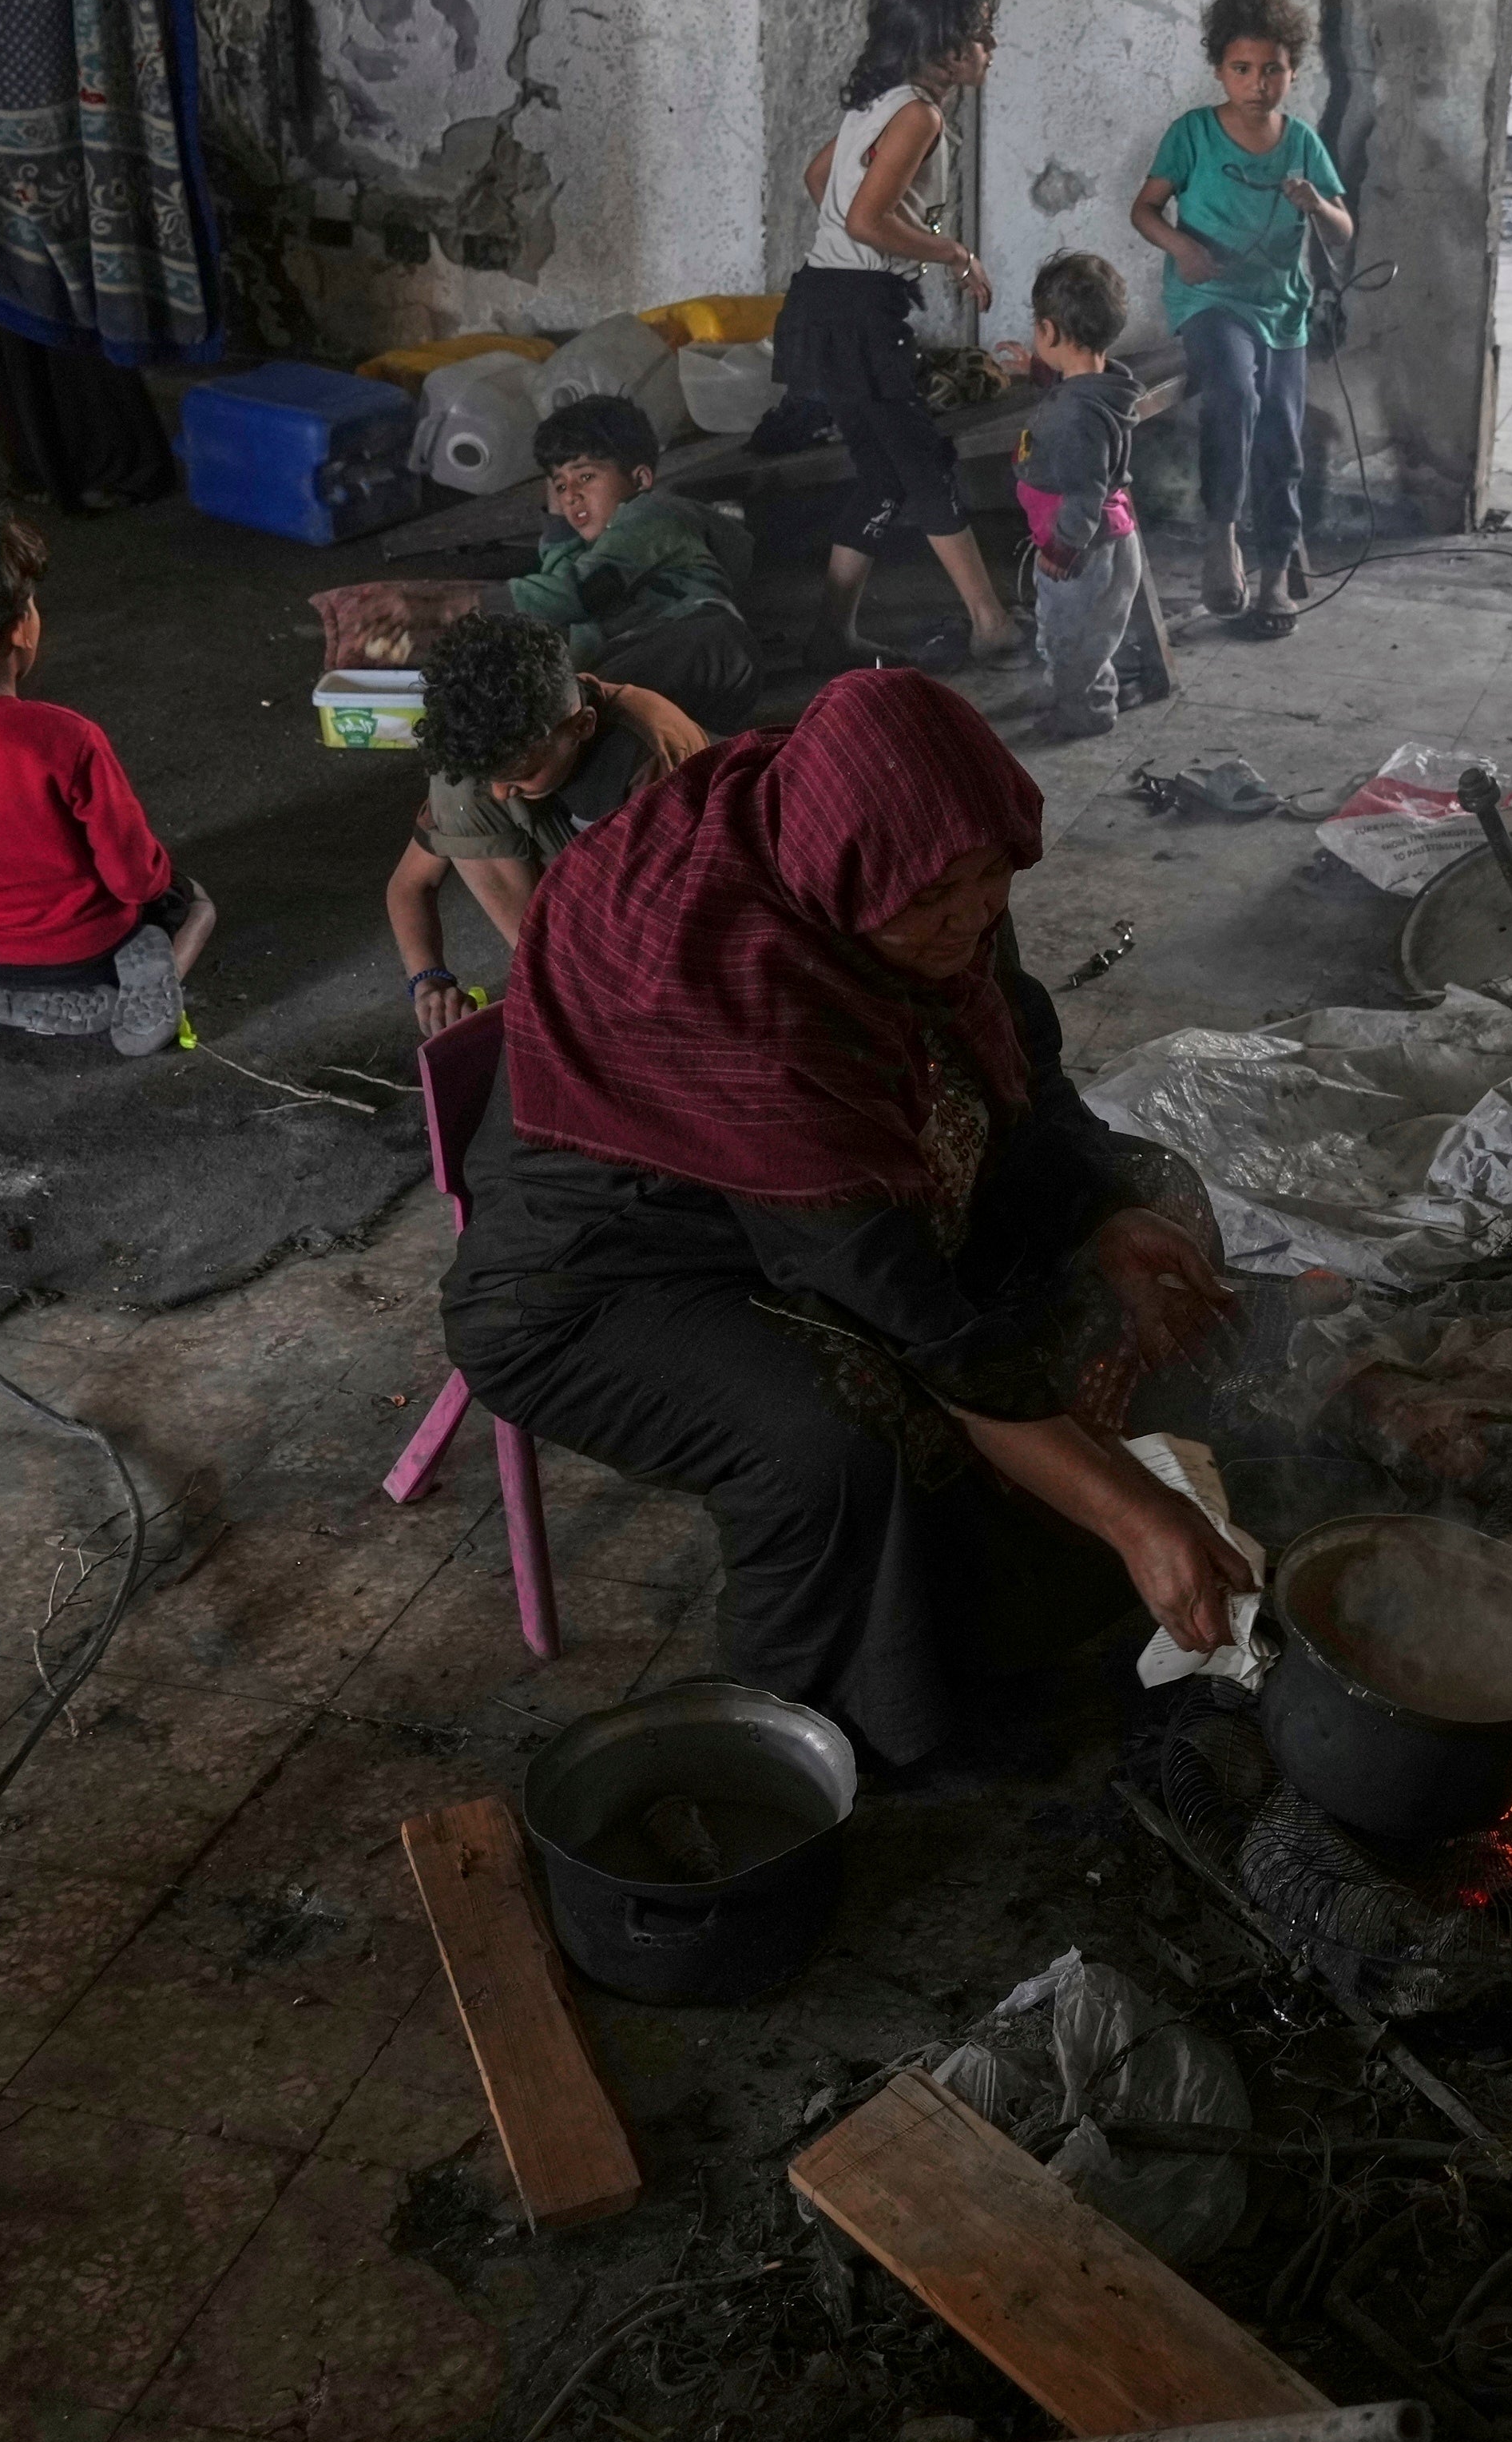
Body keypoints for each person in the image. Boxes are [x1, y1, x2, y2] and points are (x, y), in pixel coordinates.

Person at [438, 670, 1255, 1773]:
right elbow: (906, 1308)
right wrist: (1132, 1514)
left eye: (990, 880)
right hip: (595, 1284)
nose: (970, 916)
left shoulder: (895, 854)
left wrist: (1105, 1206)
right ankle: (818, 1744)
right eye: (934, 901)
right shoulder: (748, 996)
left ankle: (1017, 1580)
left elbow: (1021, 1056)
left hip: (793, 1204)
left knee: (1148, 1187)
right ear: (846, 882)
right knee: (835, 1434)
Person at [751, 0, 1026, 671]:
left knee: (882, 470)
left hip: (828, 302)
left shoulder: (880, 100)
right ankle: (989, 619)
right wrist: (952, 253)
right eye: (982, 33)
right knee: (922, 465)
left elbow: (823, 182)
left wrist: (870, 244)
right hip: (857, 315)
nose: (991, 48)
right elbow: (870, 221)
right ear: (941, 44)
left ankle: (830, 634)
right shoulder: (918, 114)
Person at [0, 508, 219, 1051]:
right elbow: (132, 879)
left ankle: (3, 995)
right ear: (23, 623)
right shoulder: (64, 737)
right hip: (88, 948)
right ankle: (143, 974)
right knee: (194, 903)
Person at [1131, 0, 1353, 638]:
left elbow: (1344, 229)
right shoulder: (1193, 134)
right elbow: (1143, 209)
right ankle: (1220, 536)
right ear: (1219, 69)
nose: (1259, 82)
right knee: (1234, 391)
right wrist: (1182, 248)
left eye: (1274, 69)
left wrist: (1317, 205)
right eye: (1242, 68)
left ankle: (1276, 572)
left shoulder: (1302, 142)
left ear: (1293, 70)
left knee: (1284, 432)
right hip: (1210, 299)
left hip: (1281, 306)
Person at [386, 610, 710, 1034]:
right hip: (581, 902)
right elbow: (410, 886)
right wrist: (429, 983)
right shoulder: (488, 763)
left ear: (582, 726)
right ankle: (546, 974)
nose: (502, 794)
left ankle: (567, 984)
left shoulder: (651, 752)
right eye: (497, 779)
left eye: (520, 776)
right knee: (460, 791)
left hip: (663, 897)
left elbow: (687, 912)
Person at [504, 393, 761, 726]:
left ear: (640, 480)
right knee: (568, 697)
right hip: (663, 667)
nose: (571, 495)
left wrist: (465, 605)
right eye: (560, 485)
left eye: (585, 477)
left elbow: (573, 594)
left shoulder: (652, 513)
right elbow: (566, 590)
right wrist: (558, 526)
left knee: (575, 710)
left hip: (706, 645)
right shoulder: (595, 548)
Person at [1002, 252, 1173, 742]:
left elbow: (1084, 488)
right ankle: (1090, 694)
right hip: (1115, 538)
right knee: (1094, 634)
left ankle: (1085, 712)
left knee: (1069, 638)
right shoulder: (1104, 387)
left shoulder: (1074, 418)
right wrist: (1039, 372)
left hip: (1081, 545)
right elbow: (1077, 397)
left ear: (1049, 332)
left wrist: (1062, 547)